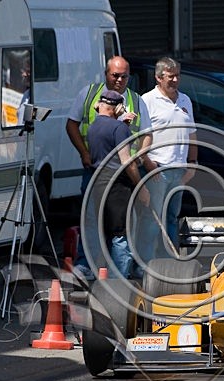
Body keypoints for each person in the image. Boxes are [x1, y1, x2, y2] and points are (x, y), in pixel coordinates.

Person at [66, 56, 154, 279]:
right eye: (115, 75)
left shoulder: (136, 100)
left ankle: (125, 265)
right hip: (98, 171)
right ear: (106, 74)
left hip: (125, 175)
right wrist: (83, 152)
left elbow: (146, 135)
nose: (120, 80)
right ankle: (92, 265)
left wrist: (141, 159)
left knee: (125, 223)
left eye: (125, 76)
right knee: (98, 222)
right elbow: (71, 124)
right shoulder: (88, 94)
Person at [138, 56, 197, 262]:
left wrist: (193, 164)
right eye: (170, 76)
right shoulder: (147, 100)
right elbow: (140, 135)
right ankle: (144, 263)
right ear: (158, 78)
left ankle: (170, 261)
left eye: (177, 76)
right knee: (152, 220)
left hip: (178, 170)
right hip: (157, 168)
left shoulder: (185, 100)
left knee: (172, 217)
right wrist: (148, 163)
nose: (174, 80)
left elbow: (192, 134)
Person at [84, 89, 147, 278]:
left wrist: (122, 124)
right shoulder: (119, 128)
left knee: (106, 232)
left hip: (98, 183)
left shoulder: (94, 126)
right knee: (121, 234)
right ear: (118, 107)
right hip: (118, 186)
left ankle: (103, 276)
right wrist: (141, 187)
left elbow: (107, 142)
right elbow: (126, 161)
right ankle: (118, 279)